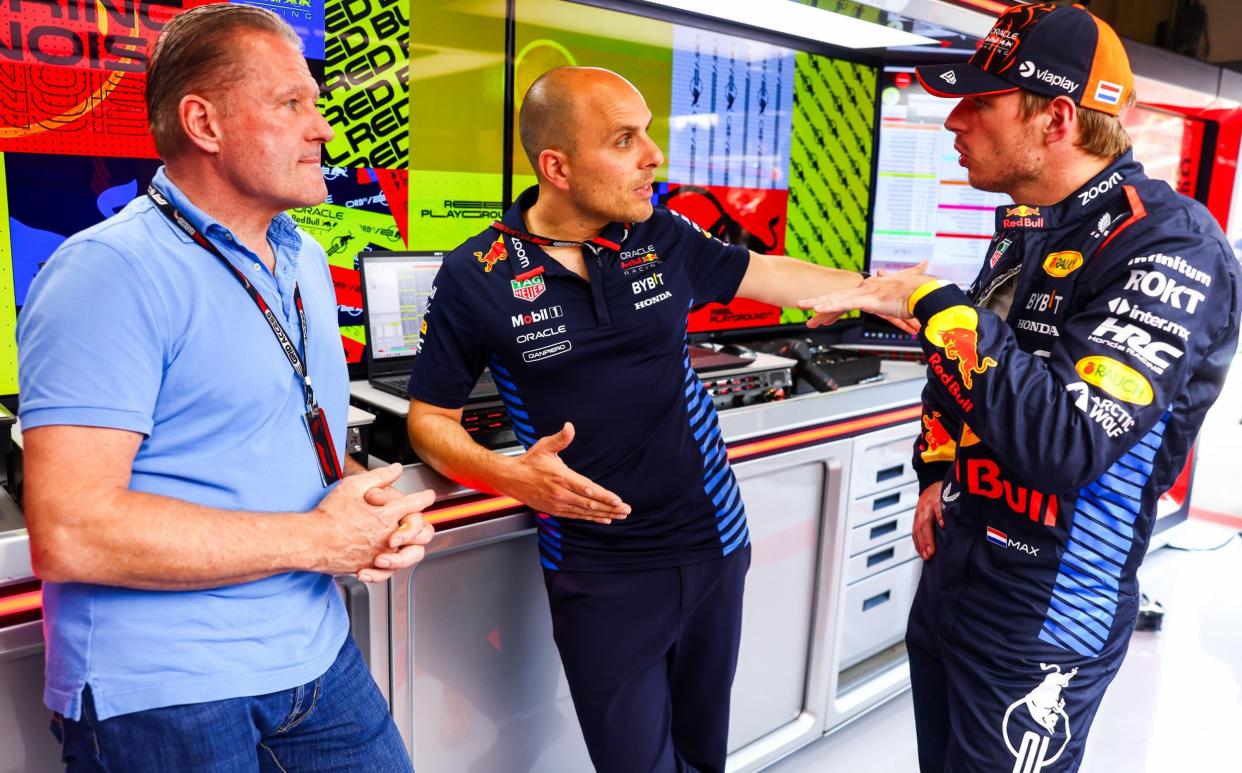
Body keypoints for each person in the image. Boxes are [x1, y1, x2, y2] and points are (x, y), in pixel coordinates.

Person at [800, 4, 1241, 771]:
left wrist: (934, 302)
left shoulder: (1172, 244)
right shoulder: (1029, 224)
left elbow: (1066, 443)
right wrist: (936, 469)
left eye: (980, 103)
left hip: (1050, 610)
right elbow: (966, 373)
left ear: (1057, 118)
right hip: (959, 574)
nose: (954, 122)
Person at [404, 66, 875, 773]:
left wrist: (890, 292)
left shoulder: (659, 234)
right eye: (626, 139)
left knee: (702, 755)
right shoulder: (479, 272)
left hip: (715, 542)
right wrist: (509, 476)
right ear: (556, 166)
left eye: (647, 133)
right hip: (600, 573)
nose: (653, 155)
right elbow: (428, 420)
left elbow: (770, 273)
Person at [17, 5, 434, 771]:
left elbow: (270, 439)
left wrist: (364, 509)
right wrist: (321, 539)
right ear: (203, 123)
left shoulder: (301, 256)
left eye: (317, 103)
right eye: (291, 104)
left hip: (314, 653)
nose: (324, 131)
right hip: (169, 691)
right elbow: (71, 530)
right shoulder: (107, 271)